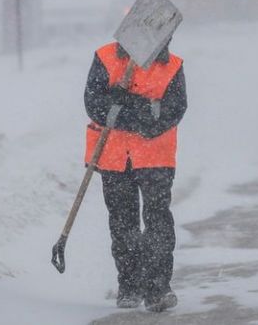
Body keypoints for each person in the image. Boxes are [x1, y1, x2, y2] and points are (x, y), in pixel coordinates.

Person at [83, 40, 187, 312]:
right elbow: (95, 104)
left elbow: (172, 111)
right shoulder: (105, 58)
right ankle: (129, 285)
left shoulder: (173, 66)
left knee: (157, 220)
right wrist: (143, 110)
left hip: (155, 157)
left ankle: (158, 288)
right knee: (122, 221)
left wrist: (126, 107)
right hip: (115, 157)